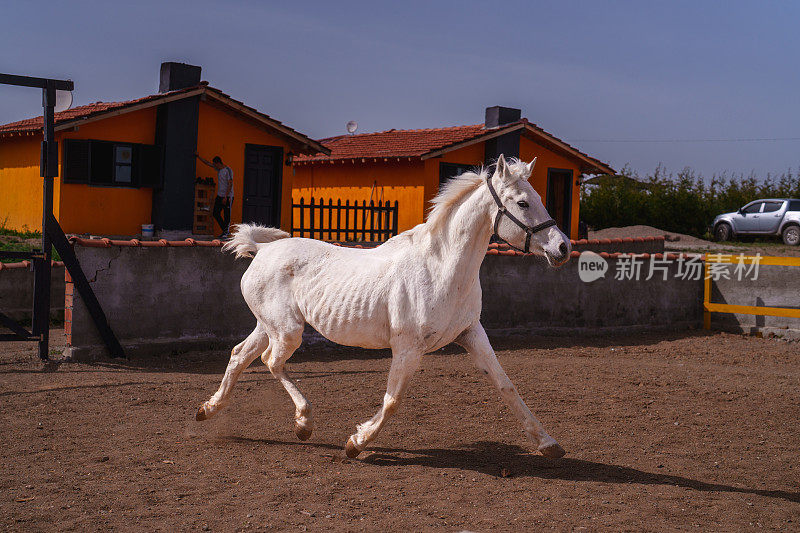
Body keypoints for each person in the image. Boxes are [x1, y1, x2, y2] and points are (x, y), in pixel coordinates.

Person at [197, 153, 234, 238]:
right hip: (219, 196)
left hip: (227, 197)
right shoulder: (219, 170)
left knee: (226, 215)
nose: (214, 166)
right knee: (215, 213)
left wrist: (226, 196)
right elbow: (208, 163)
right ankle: (225, 231)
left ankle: (226, 232)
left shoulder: (228, 170)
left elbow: (230, 184)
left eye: (215, 165)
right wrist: (199, 157)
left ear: (218, 163)